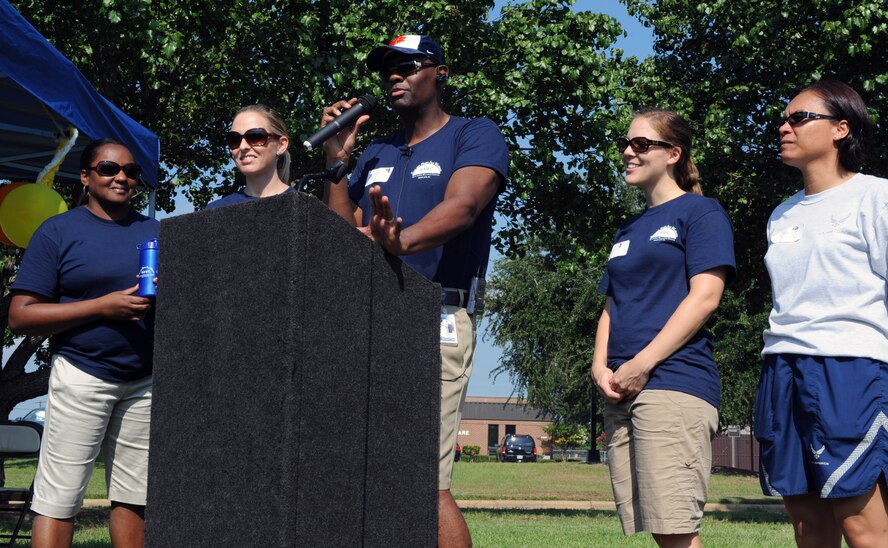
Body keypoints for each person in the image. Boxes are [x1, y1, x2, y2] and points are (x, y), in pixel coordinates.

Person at [320, 34, 509, 547]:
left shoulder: (474, 134)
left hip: (437, 317)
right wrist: (339, 162)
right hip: (371, 317)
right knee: (368, 470)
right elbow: (343, 238)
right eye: (388, 69)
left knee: (424, 478)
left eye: (408, 65)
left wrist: (399, 240)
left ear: (440, 73)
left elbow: (463, 208)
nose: (395, 75)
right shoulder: (376, 153)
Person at [591, 109, 735, 547]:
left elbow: (706, 297)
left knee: (675, 528)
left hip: (673, 382)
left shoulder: (701, 213)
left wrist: (643, 362)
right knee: (659, 527)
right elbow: (612, 304)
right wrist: (599, 367)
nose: (628, 152)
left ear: (673, 153)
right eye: (625, 143)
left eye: (641, 144)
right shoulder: (628, 228)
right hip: (622, 386)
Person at [756, 80, 888, 547]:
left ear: (840, 128)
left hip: (849, 368)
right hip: (782, 368)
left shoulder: (876, 197)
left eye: (799, 118)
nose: (783, 127)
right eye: (783, 119)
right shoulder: (782, 215)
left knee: (859, 522)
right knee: (807, 524)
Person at [8, 138, 159, 548]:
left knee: (136, 499)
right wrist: (102, 307)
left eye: (131, 170)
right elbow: (20, 315)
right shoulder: (58, 231)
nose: (122, 177)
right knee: (59, 499)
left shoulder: (156, 232)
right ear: (86, 176)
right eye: (109, 169)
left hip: (145, 383)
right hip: (82, 376)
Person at [206, 104, 293, 209]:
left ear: (281, 145)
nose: (243, 147)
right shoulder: (215, 212)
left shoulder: (305, 208)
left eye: (255, 136)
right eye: (234, 139)